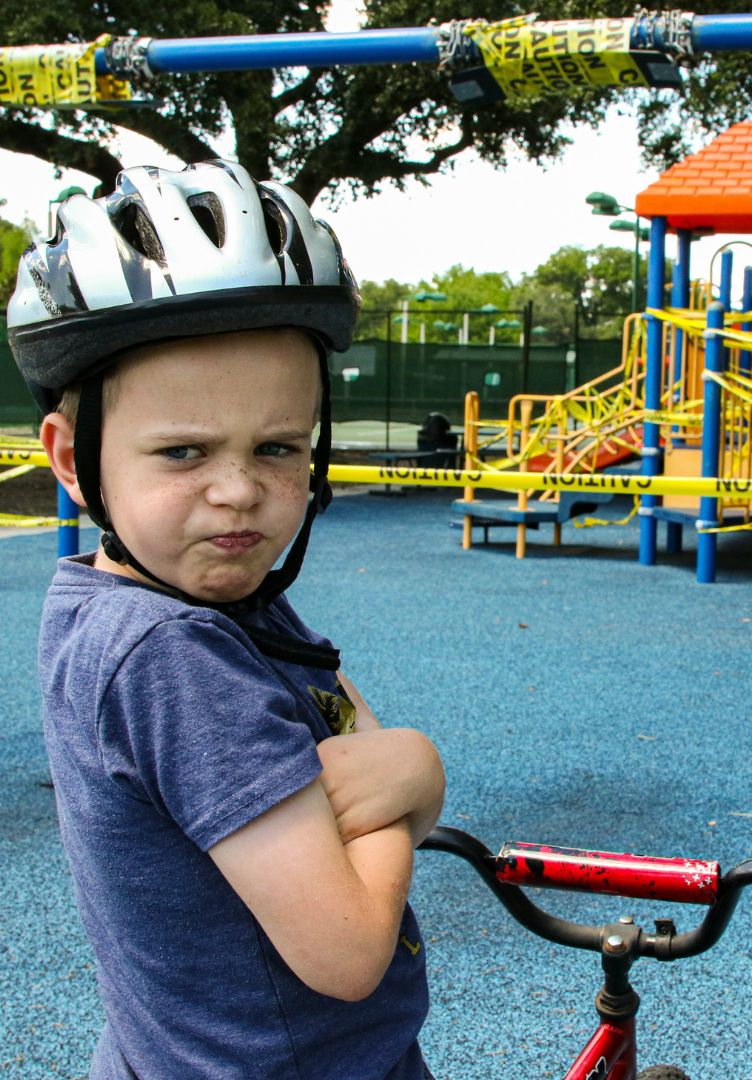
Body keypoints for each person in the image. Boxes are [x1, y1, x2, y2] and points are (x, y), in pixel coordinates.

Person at [7, 160, 445, 1079]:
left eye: (277, 447)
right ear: (73, 460)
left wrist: (382, 781)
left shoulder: (191, 591)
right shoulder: (172, 651)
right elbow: (347, 950)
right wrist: (415, 773)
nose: (239, 492)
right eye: (183, 452)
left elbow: (337, 720)